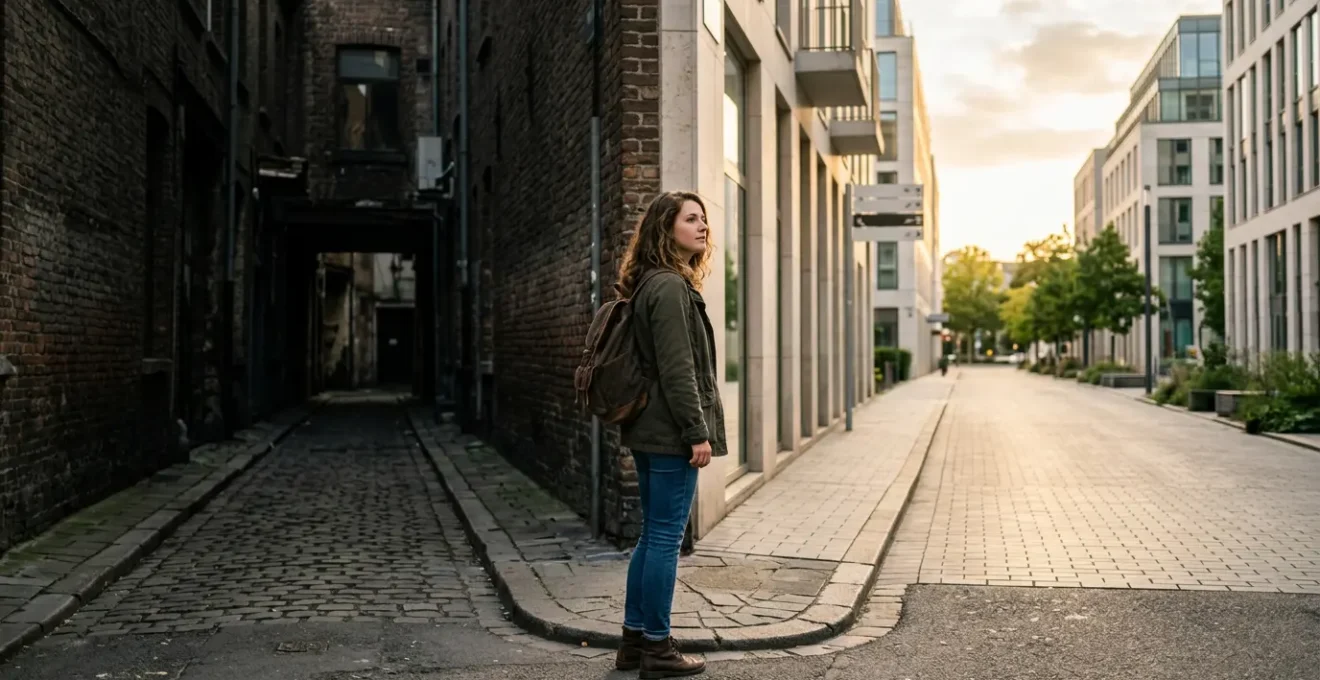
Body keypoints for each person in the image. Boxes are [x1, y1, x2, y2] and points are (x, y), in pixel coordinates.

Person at [613, 190, 727, 678]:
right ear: (667, 228)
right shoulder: (670, 288)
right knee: (664, 537)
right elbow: (679, 370)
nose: (703, 227)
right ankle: (657, 649)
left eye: (704, 220)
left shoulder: (652, 285)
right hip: (669, 434)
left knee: (651, 535)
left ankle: (634, 642)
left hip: (649, 429)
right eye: (691, 219)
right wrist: (696, 432)